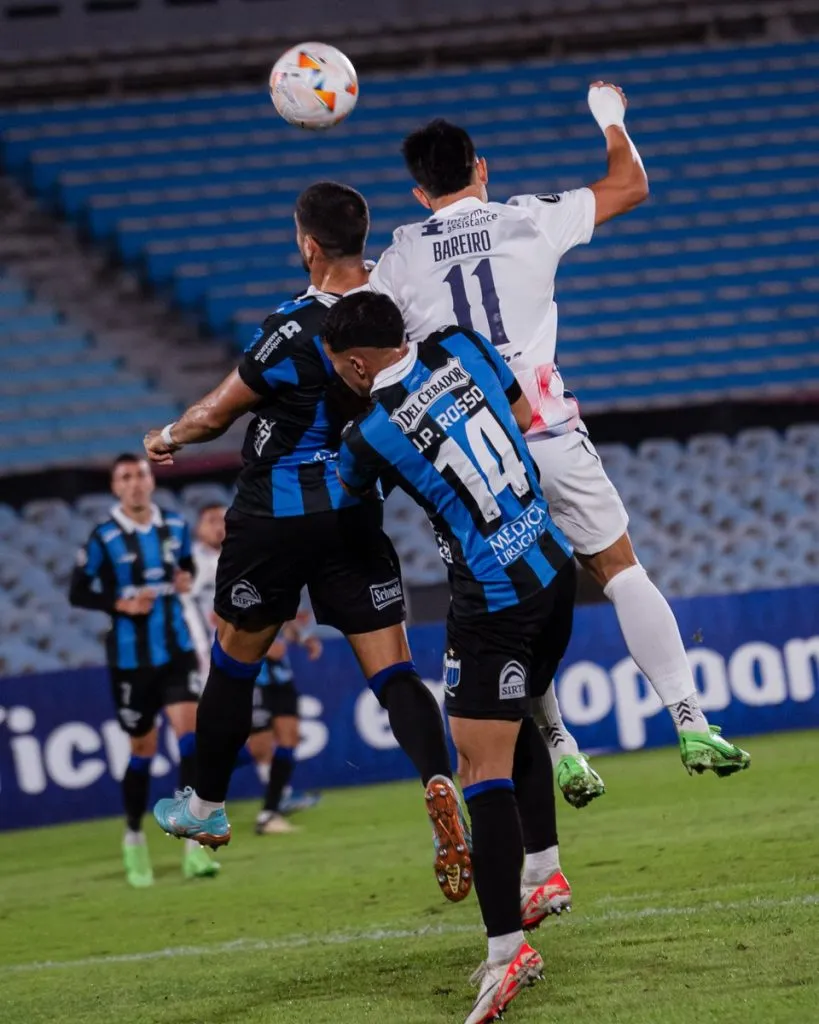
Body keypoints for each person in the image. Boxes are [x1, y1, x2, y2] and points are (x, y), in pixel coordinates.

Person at [366, 84, 751, 794]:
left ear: (419, 194)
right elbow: (630, 184)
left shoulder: (397, 261)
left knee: (508, 600)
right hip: (544, 428)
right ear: (481, 168)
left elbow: (368, 344)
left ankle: (561, 744)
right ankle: (690, 719)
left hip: (469, 456)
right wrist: (611, 117)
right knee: (618, 567)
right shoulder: (528, 222)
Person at [143, 182, 471, 903]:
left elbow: (213, 415)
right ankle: (439, 779)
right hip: (355, 511)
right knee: (393, 674)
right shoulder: (392, 315)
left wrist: (163, 438)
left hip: (273, 520)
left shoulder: (293, 328)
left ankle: (203, 807)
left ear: (307, 245)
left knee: (234, 659)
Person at [324, 291, 576, 1024]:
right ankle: (545, 873)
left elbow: (350, 504)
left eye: (341, 366)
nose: (340, 376)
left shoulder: (369, 431)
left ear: (357, 361)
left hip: (492, 602)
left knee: (478, 769)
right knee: (510, 722)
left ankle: (505, 956)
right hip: (552, 568)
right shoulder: (462, 345)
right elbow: (524, 419)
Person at [68, 454, 219, 887]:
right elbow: (78, 591)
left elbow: (186, 567)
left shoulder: (173, 525)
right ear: (116, 488)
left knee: (191, 743)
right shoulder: (104, 538)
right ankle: (134, 835)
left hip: (176, 652)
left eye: (140, 475)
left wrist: (186, 579)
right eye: (125, 478)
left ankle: (192, 842)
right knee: (143, 753)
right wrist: (120, 603)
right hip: (132, 663)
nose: (135, 484)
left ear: (151, 481)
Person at [184, 503, 321, 833]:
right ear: (199, 529)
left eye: (223, 519)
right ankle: (199, 775)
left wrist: (298, 637)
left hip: (275, 660)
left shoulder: (243, 555)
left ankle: (271, 810)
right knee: (258, 745)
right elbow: (208, 613)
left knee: (288, 735)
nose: (219, 526)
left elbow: (272, 601)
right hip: (241, 660)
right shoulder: (194, 566)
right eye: (210, 520)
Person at [247, 617, 323, 835]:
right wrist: (261, 646)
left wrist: (303, 638)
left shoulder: (277, 589)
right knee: (260, 748)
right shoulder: (240, 592)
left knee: (289, 740)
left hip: (282, 680)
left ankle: (270, 812)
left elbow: (286, 619)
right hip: (255, 682)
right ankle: (203, 793)